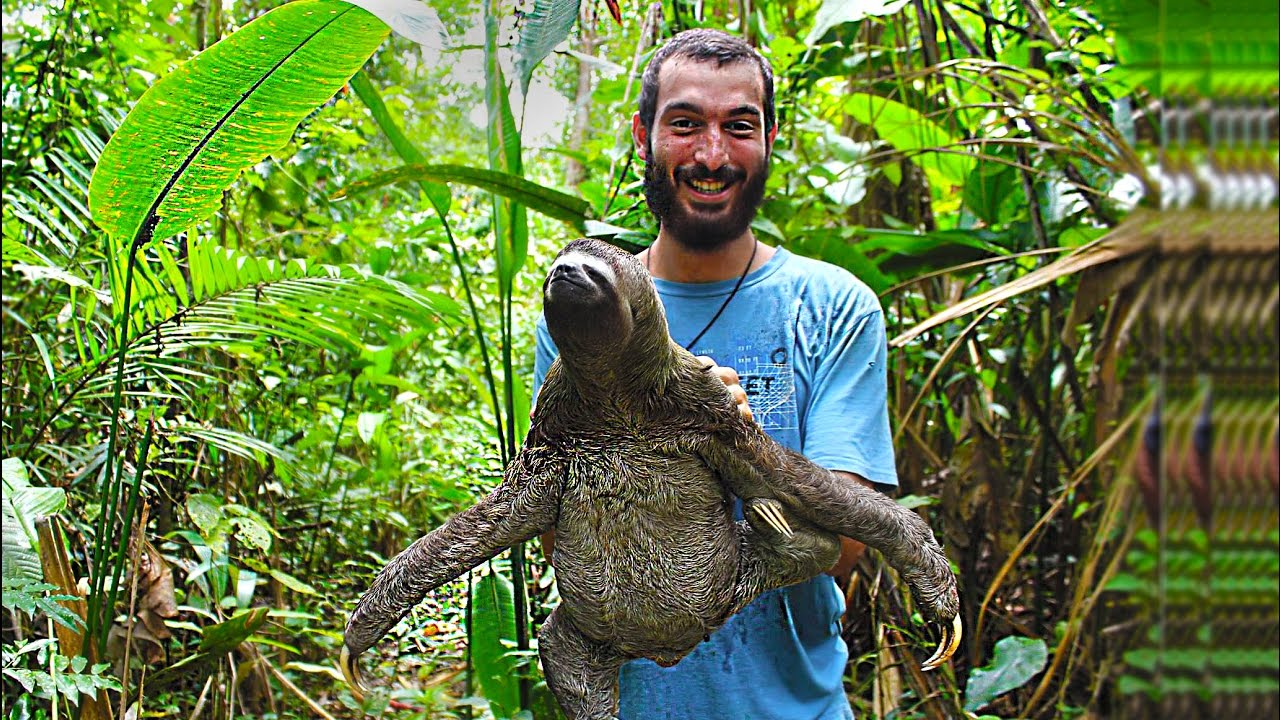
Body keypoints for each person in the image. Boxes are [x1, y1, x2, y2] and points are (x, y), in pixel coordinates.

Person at [533, 28, 897, 720]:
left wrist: (736, 442)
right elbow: (561, 542)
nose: (711, 154)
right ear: (643, 136)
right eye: (685, 124)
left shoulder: (834, 309)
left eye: (739, 127)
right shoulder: (583, 305)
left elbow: (844, 545)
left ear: (768, 140)